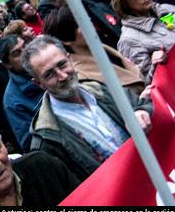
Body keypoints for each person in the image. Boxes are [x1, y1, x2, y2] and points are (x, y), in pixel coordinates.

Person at [23, 36, 153, 181]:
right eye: (49, 74)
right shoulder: (47, 141)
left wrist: (144, 110)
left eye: (62, 64)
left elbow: (140, 105)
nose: (63, 76)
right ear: (38, 83)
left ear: (69, 59)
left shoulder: (100, 89)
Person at [43, 6, 145, 97]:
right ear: (66, 40)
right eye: (80, 24)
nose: (89, 24)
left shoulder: (103, 49)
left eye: (87, 18)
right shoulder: (82, 77)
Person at [0, 34, 44, 151]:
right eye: (17, 53)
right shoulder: (12, 101)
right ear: (7, 64)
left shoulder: (49, 62)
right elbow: (30, 144)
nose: (26, 53)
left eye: (25, 46)